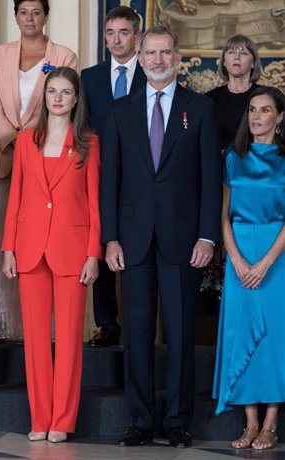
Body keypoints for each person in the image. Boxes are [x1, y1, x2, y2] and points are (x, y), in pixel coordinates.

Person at [101, 26, 222, 447]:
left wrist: (207, 236)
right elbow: (109, 181)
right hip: (132, 241)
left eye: (164, 52)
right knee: (135, 333)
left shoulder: (201, 109)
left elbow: (211, 180)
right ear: (139, 55)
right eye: (150, 52)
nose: (156, 60)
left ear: (178, 56)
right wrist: (110, 238)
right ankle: (139, 419)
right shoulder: (120, 111)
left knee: (181, 332)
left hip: (183, 240)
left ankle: (177, 421)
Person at [2, 67, 100, 443]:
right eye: (52, 91)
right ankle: (40, 417)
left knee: (71, 338)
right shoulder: (26, 141)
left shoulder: (89, 143)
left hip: (73, 251)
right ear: (44, 98)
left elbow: (94, 204)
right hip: (29, 250)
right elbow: (16, 199)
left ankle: (62, 419)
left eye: (65, 92)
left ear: (76, 99)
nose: (58, 98)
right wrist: (8, 246)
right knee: (36, 342)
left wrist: (93, 253)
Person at [0, 0, 77, 342]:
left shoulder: (64, 55)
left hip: (48, 161)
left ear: (46, 16)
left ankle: (40, 330)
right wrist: (14, 142)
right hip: (4, 158)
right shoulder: (0, 54)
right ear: (15, 16)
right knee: (4, 241)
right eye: (23, 12)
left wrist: (32, 141)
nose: (29, 18)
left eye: (36, 12)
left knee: (45, 249)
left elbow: (63, 101)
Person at [213, 86, 285, 451]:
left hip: (277, 255)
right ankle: (250, 422)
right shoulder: (231, 157)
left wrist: (267, 262)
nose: (256, 117)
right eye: (252, 110)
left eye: (265, 110)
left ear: (280, 117)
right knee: (241, 335)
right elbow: (223, 216)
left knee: (274, 339)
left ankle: (271, 424)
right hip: (239, 252)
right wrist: (237, 259)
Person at [80, 5, 146, 348]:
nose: (116, 40)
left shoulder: (150, 74)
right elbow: (83, 126)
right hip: (100, 174)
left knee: (137, 249)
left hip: (140, 178)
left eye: (123, 32)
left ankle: (138, 322)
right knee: (101, 243)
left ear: (136, 35)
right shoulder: (89, 77)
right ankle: (107, 323)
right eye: (110, 33)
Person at [206, 34, 263, 150]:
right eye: (231, 52)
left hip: (257, 164)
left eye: (244, 53)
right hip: (221, 165)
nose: (237, 57)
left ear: (253, 63)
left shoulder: (265, 96)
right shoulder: (209, 99)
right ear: (224, 62)